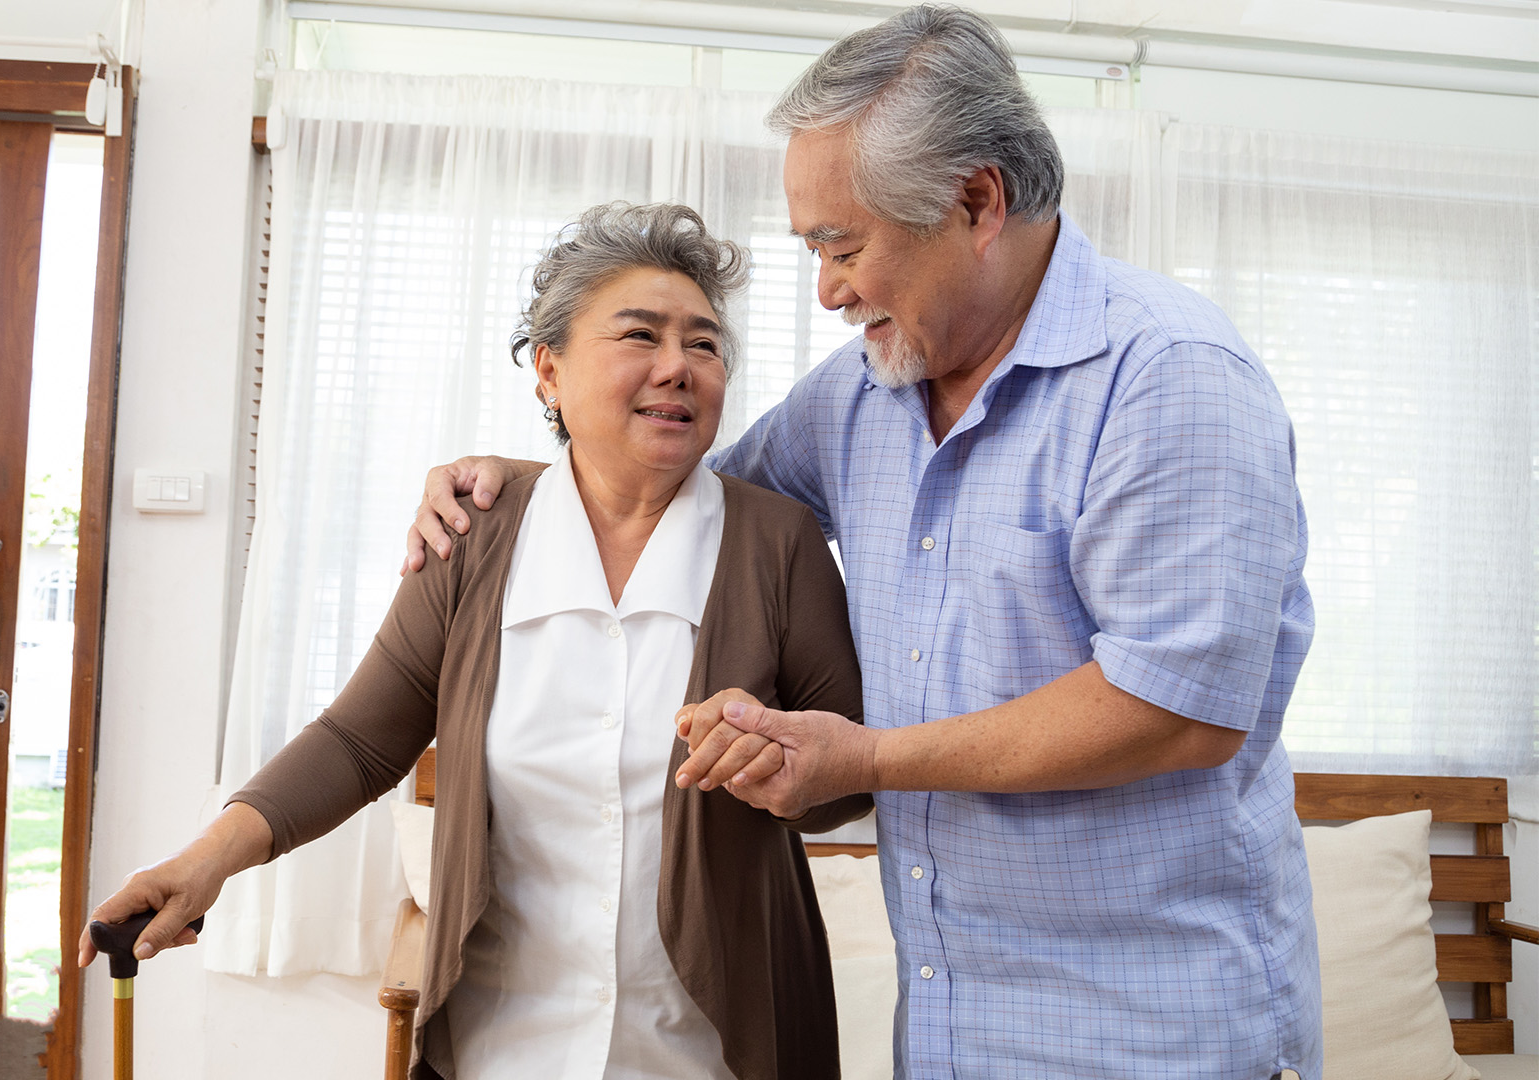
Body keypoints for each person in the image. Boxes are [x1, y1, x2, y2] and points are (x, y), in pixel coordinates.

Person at [404, 9, 1322, 1080]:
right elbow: (684, 493)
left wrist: (871, 759)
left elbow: (1176, 710)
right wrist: (529, 482)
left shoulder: (1170, 378)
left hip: (1156, 1035)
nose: (829, 288)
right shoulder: (862, 395)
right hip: (948, 1035)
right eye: (813, 249)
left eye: (844, 245)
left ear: (977, 202)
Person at [80, 202, 871, 1080]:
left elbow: (849, 776)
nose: (678, 368)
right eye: (640, 335)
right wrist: (204, 863)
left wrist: (779, 765)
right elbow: (358, 740)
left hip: (716, 1052)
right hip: (504, 1047)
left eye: (706, 345)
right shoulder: (474, 535)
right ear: (549, 371)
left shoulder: (779, 542)